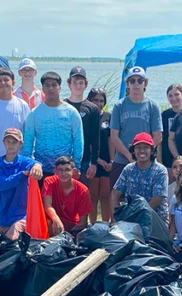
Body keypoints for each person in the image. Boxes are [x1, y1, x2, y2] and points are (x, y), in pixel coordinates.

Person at [0, 68, 31, 231]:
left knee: (15, 196)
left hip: (17, 162)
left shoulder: (22, 105)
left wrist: (26, 160)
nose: (3, 83)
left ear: (13, 82)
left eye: (6, 80)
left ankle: (15, 226)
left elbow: (28, 134)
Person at [22, 71, 84, 175]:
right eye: (47, 85)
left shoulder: (71, 112)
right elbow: (28, 141)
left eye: (54, 85)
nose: (51, 88)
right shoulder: (34, 113)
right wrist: (30, 164)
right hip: (40, 170)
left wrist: (76, 166)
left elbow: (78, 140)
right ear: (42, 89)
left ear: (60, 88)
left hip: (65, 170)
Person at [109, 66, 163, 186]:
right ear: (127, 84)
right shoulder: (119, 106)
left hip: (147, 162)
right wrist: (130, 156)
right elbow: (114, 136)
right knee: (118, 198)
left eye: (140, 80)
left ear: (145, 83)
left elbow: (158, 136)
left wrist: (143, 155)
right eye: (132, 81)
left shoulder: (153, 106)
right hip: (122, 160)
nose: (136, 84)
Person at [0, 128, 44, 240]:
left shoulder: (25, 161)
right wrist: (22, 174)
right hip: (4, 218)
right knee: (8, 244)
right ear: (3, 142)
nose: (10, 145)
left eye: (14, 142)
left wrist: (37, 166)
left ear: (21, 144)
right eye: (8, 142)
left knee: (12, 237)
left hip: (22, 216)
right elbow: (0, 184)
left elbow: (36, 163)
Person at [110, 133, 169, 220]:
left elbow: (157, 200)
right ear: (133, 151)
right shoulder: (128, 169)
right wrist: (115, 219)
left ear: (152, 151)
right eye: (138, 147)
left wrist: (136, 216)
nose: (142, 151)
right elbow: (114, 194)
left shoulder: (160, 170)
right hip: (130, 220)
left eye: (146, 147)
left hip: (155, 221)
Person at [64, 66, 101, 184]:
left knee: (82, 195)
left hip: (85, 161)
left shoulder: (92, 108)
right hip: (64, 159)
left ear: (86, 85)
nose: (78, 86)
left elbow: (96, 138)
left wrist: (94, 163)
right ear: (69, 84)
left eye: (81, 83)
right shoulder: (62, 106)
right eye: (75, 82)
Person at [43, 156, 92, 236]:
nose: (63, 173)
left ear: (74, 171)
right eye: (60, 170)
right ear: (55, 171)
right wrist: (56, 219)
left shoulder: (83, 190)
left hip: (73, 227)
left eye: (67, 170)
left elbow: (83, 222)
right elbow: (47, 205)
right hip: (53, 223)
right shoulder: (49, 182)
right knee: (48, 221)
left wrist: (67, 234)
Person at [89, 88, 114, 222]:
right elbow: (87, 141)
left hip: (107, 162)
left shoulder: (109, 117)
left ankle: (105, 225)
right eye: (95, 100)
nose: (98, 103)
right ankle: (93, 225)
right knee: (93, 196)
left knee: (105, 195)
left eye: (101, 100)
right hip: (93, 161)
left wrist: (111, 160)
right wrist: (97, 160)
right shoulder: (88, 116)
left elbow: (111, 139)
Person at [161, 84, 182, 168]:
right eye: (170, 96)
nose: (174, 98)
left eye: (177, 94)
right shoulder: (164, 115)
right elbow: (161, 140)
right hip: (167, 159)